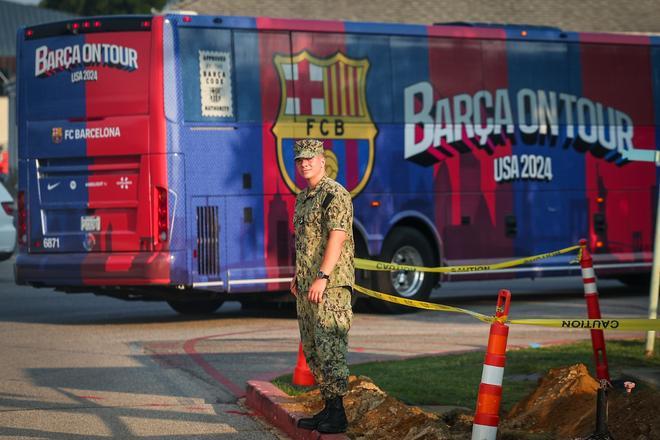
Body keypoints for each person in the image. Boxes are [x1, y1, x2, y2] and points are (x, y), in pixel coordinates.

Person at [290, 138, 354, 434]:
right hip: (307, 286)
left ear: (322, 161)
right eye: (299, 160)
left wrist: (323, 276)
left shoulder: (334, 194)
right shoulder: (304, 198)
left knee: (331, 347)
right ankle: (327, 409)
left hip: (330, 286)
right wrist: (299, 276)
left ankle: (338, 415)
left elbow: (337, 238)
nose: (304, 163)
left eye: (309, 158)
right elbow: (305, 243)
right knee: (314, 349)